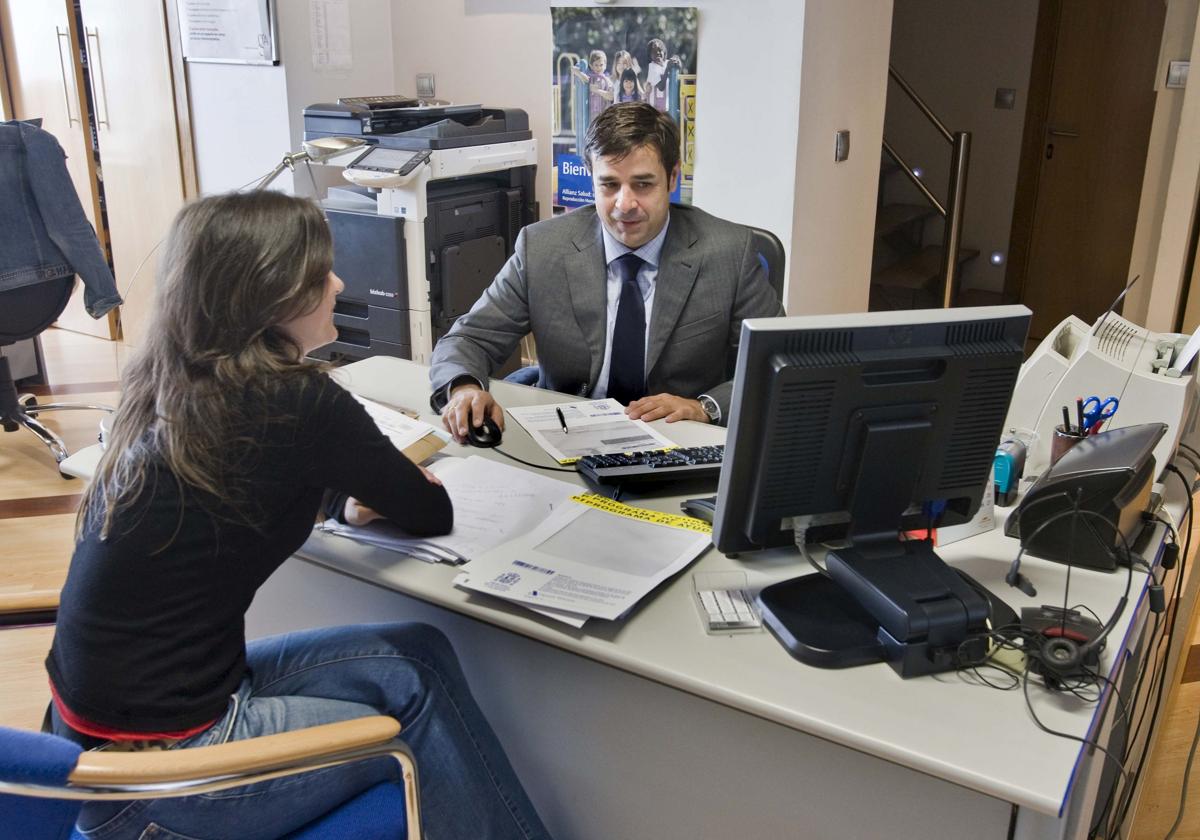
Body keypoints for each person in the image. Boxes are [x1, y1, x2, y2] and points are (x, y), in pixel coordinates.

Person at [46, 191, 551, 840]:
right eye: (320, 275)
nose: (339, 284)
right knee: (413, 713)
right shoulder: (301, 402)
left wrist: (339, 495)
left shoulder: (171, 382)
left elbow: (249, 485)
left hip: (92, 755)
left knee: (420, 655)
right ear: (271, 295)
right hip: (165, 777)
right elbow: (428, 509)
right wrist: (354, 485)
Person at [430, 101, 783, 442]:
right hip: (567, 436)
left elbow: (777, 365)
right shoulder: (542, 248)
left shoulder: (729, 252)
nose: (624, 204)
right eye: (609, 184)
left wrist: (704, 407)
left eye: (643, 185)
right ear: (591, 178)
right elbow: (469, 339)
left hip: (676, 439)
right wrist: (463, 389)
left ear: (672, 177)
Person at [569, 49, 614, 118]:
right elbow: (572, 68)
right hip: (590, 113)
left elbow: (611, 96)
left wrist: (597, 90)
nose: (599, 68)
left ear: (605, 65)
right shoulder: (589, 77)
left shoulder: (607, 80)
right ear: (591, 65)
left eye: (601, 65)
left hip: (603, 113)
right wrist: (581, 74)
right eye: (596, 65)